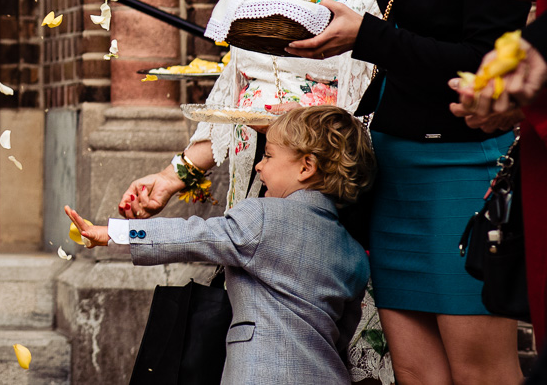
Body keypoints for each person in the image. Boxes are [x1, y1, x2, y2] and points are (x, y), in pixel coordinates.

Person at [287, 0, 533, 385]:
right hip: (398, 166)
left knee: (480, 375)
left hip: (463, 166)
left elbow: (482, 62)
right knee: (417, 374)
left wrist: (367, 37)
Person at [118, 0, 390, 381]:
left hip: (337, 214)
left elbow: (374, 106)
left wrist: (300, 130)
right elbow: (230, 97)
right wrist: (172, 178)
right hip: (259, 196)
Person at [71, 106, 376, 385]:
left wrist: (115, 233)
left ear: (306, 167)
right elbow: (342, 336)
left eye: (268, 155)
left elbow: (194, 236)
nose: (258, 166)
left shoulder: (263, 216)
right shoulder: (354, 254)